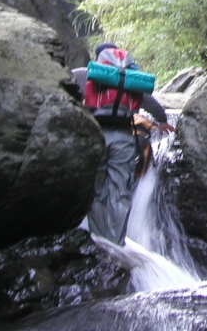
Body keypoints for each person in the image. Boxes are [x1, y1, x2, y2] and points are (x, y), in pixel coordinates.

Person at [71, 42, 170, 246]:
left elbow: (62, 85)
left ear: (99, 57)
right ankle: (116, 244)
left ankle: (99, 241)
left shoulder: (86, 74)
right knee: (120, 191)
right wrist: (162, 122)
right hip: (124, 138)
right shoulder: (129, 80)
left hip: (95, 136)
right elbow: (151, 104)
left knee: (96, 189)